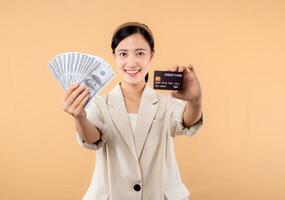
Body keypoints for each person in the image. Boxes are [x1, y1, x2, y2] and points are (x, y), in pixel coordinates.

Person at [62, 22, 203, 200]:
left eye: (140, 53)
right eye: (123, 54)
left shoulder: (165, 102)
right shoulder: (100, 104)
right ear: (114, 56)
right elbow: (93, 138)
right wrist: (80, 117)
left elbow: (186, 121)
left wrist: (195, 100)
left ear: (151, 55)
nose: (131, 62)